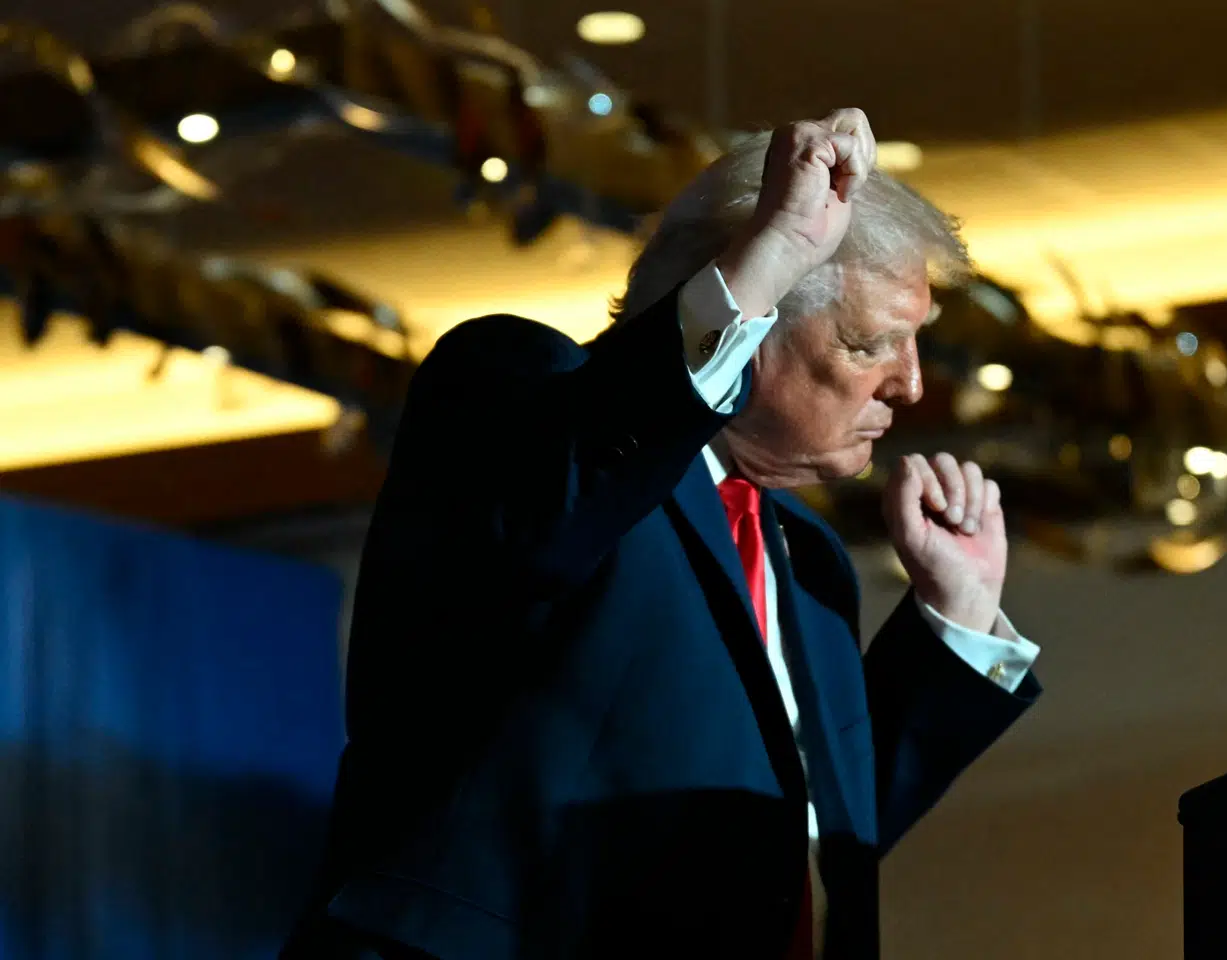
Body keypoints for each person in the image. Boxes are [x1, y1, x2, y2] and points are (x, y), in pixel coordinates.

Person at [282, 108, 1041, 960]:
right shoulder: (518, 392)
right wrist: (770, 256)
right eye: (874, 344)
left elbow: (798, 846)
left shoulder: (808, 558)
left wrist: (960, 619)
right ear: (759, 324)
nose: (907, 388)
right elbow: (552, 509)